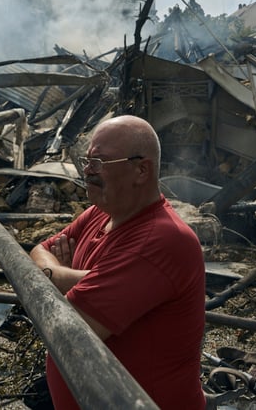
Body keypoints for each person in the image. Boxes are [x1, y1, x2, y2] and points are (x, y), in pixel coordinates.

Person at [30, 114, 206, 409]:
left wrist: (54, 279)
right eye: (86, 161)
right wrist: (77, 277)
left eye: (99, 163)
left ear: (141, 170)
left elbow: (68, 328)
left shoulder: (161, 241)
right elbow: (38, 250)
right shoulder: (100, 213)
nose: (87, 171)